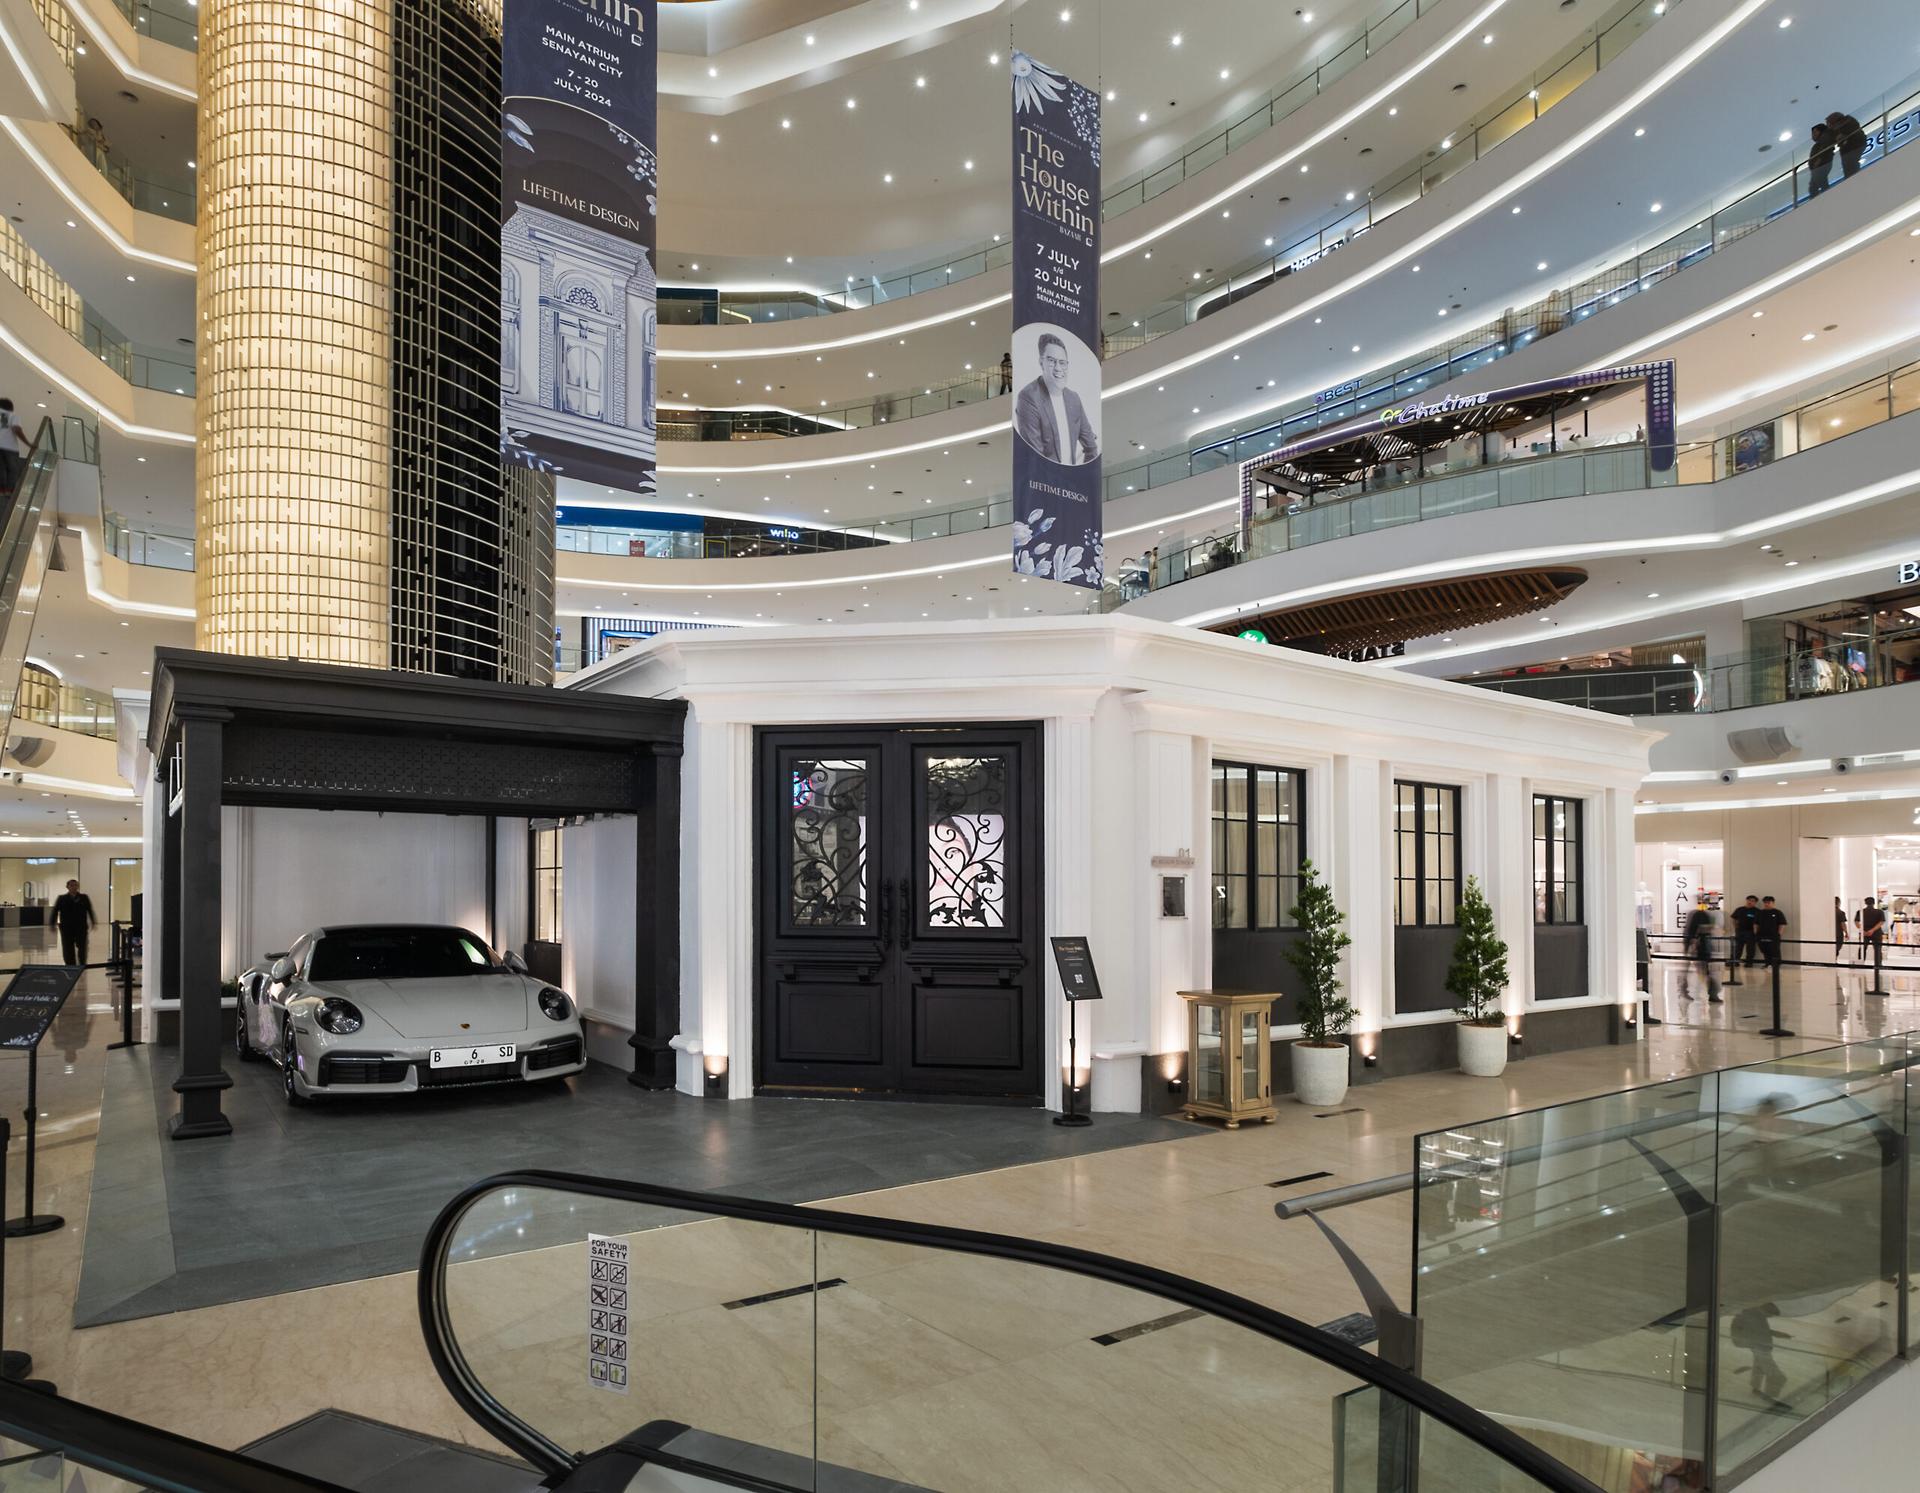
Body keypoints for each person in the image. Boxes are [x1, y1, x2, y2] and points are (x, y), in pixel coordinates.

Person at [1013, 333, 1099, 465]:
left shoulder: (1073, 398)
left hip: (1071, 477)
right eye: (1052, 361)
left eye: (1062, 362)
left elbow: (1091, 448)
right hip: (1046, 476)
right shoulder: (1028, 398)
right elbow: (1035, 457)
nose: (1058, 368)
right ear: (1041, 362)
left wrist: (1082, 474)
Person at [1681, 898, 1721, 1003]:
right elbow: (1695, 931)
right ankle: (1711, 994)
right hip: (1699, 947)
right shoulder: (1699, 914)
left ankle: (1712, 994)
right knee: (1703, 971)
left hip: (1701, 947)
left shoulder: (1704, 914)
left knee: (1705, 971)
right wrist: (1691, 946)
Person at [51, 878, 97, 968]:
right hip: (66, 927)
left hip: (81, 927)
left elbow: (89, 910)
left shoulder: (84, 898)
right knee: (67, 947)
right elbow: (55, 911)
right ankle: (70, 965)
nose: (74, 887)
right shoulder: (62, 898)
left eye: (75, 885)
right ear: (67, 887)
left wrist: (93, 921)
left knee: (82, 946)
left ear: (78, 886)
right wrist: (52, 923)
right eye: (71, 885)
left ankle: (82, 963)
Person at [1827, 111, 1867, 179]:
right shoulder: (1836, 129)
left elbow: (1850, 131)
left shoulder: (1848, 122)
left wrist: (1842, 135)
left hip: (1853, 146)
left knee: (1850, 164)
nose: (1829, 126)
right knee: (1848, 165)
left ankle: (1854, 178)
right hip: (1849, 149)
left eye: (1829, 123)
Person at [1756, 896, 1787, 969]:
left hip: (1773, 936)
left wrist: (1779, 934)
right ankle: (1767, 964)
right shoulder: (1760, 912)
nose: (1766, 904)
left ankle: (1776, 965)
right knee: (1764, 950)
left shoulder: (1777, 912)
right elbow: (1756, 924)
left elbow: (1782, 924)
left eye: (1768, 902)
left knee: (1775, 950)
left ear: (1773, 903)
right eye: (1765, 902)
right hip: (1761, 935)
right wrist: (1756, 933)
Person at [0, 398, 24, 493]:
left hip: (1, 446)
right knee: (13, 469)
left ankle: (2, 489)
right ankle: (9, 490)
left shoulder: (3, 416)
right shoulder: (13, 416)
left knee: (2, 468)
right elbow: (16, 429)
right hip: (10, 448)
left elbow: (4, 429)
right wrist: (28, 443)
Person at [1731, 894, 1761, 967]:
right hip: (1740, 931)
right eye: (1749, 900)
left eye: (1752, 901)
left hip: (1751, 932)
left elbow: (1760, 923)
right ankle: (1735, 961)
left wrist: (1756, 931)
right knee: (1738, 948)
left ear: (1755, 903)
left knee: (1750, 949)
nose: (1750, 902)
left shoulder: (1757, 911)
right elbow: (1733, 918)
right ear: (1746, 900)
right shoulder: (1739, 909)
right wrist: (1735, 927)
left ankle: (1749, 963)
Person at [1807, 121, 1835, 196]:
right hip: (1818, 168)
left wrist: (1818, 161)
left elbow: (1826, 149)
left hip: (1820, 167)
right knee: (1818, 185)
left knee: (1815, 186)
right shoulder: (1821, 142)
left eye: (1814, 132)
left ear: (1820, 131)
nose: (1812, 136)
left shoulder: (1825, 138)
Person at [1857, 896, 1886, 963]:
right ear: (1874, 903)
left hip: (1864, 932)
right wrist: (1872, 930)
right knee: (1877, 949)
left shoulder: (1860, 911)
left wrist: (1862, 930)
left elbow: (1856, 922)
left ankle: (1860, 963)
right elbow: (1881, 922)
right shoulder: (1879, 912)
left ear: (1865, 903)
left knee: (1862, 948)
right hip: (1877, 932)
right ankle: (1878, 965)